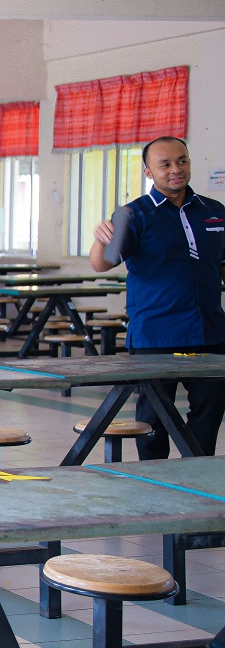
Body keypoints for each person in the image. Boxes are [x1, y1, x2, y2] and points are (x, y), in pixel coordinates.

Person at [89, 136, 225, 459]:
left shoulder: (214, 211)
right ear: (148, 171)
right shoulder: (132, 215)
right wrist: (100, 238)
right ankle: (153, 475)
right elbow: (101, 263)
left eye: (182, 161)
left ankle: (195, 470)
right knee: (153, 418)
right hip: (156, 335)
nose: (176, 169)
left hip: (209, 331)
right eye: (165, 164)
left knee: (211, 407)